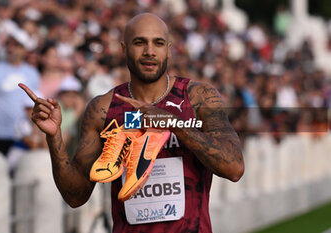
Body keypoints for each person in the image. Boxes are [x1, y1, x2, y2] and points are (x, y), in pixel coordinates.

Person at [19, 13, 244, 232]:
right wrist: (54, 136)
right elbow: (75, 196)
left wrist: (173, 124)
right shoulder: (103, 109)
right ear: (124, 49)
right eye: (139, 42)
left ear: (168, 50)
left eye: (158, 43)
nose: (149, 51)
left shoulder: (197, 97)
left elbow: (234, 168)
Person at [0, 27, 40, 155]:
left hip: (23, 136)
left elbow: (34, 105)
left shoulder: (32, 73)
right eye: (9, 44)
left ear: (24, 49)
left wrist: (35, 134)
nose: (11, 48)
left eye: (16, 45)